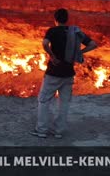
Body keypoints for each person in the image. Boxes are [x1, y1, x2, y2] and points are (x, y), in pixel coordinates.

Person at [30, 8, 97, 139]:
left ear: (55, 19)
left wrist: (52, 56)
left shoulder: (52, 31)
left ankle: (42, 130)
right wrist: (79, 53)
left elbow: (44, 43)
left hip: (53, 73)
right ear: (67, 19)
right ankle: (58, 131)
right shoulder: (74, 31)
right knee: (64, 103)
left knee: (44, 100)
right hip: (68, 73)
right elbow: (93, 44)